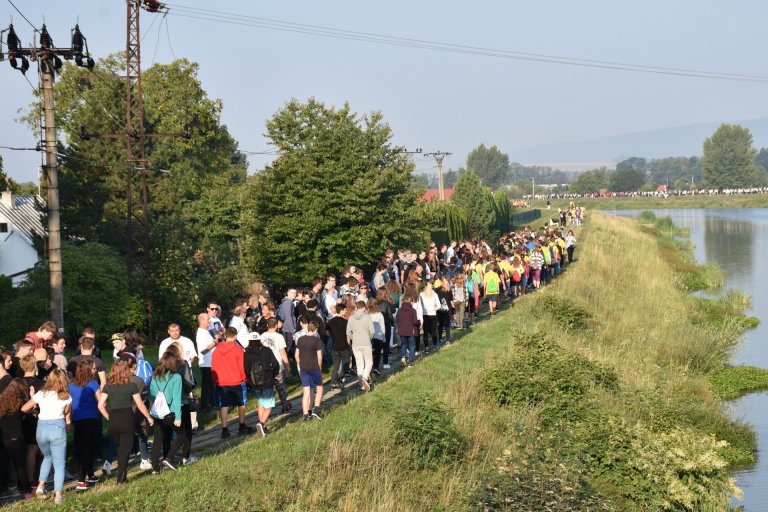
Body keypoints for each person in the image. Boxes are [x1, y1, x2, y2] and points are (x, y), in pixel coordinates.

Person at [98, 360, 154, 483]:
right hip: (127, 418)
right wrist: (149, 418)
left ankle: (121, 476)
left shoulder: (108, 386)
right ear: (125, 371)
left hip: (114, 419)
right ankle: (121, 478)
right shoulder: (131, 386)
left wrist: (108, 417)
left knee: (119, 448)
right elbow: (140, 405)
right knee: (126, 450)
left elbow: (100, 405)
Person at [21, 369, 71, 505]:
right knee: (59, 463)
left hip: (41, 429)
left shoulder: (41, 394)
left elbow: (24, 408)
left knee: (47, 456)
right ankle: (59, 495)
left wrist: (35, 411)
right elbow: (66, 412)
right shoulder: (66, 396)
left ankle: (41, 486)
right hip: (57, 428)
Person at [211, 327, 254, 438]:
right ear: (235, 336)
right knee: (241, 403)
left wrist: (215, 379)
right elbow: (241, 366)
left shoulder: (216, 350)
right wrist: (244, 379)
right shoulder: (237, 349)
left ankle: (225, 429)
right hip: (236, 380)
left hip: (221, 381)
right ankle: (242, 426)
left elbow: (213, 366)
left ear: (225, 336)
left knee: (224, 405)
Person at [68, 360, 102, 490]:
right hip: (91, 418)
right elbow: (100, 401)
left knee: (82, 446)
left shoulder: (71, 384)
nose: (95, 371)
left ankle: (91, 474)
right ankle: (81, 480)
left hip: (77, 418)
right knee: (88, 448)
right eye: (93, 369)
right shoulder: (93, 383)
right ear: (88, 370)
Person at [149, 353, 186, 471]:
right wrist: (178, 417)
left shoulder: (154, 376)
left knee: (158, 439)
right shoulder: (176, 377)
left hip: (157, 412)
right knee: (182, 434)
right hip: (170, 412)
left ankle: (155, 468)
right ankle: (169, 458)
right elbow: (176, 398)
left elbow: (151, 395)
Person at [164, 344, 197, 465]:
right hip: (182, 400)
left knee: (169, 432)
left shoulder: (162, 365)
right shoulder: (183, 364)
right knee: (187, 430)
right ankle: (185, 456)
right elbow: (188, 382)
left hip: (166, 404)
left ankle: (166, 456)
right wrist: (191, 387)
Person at [0, 378, 32, 498]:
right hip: (17, 438)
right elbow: (29, 410)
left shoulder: (1, 400)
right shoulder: (20, 403)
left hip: (3, 439)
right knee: (20, 467)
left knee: (2, 468)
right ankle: (27, 492)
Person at [244, 334, 279, 436]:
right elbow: (275, 364)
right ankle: (261, 423)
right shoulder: (267, 350)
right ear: (259, 340)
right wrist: (272, 375)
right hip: (267, 381)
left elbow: (246, 369)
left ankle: (262, 427)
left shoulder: (246, 353)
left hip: (255, 383)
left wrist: (250, 381)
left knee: (261, 404)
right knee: (268, 405)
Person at [258, 319, 292, 413]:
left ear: (267, 325)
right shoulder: (279, 336)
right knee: (281, 387)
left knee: (267, 389)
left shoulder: (262, 336)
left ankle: (265, 408)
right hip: (277, 366)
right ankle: (284, 406)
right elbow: (283, 353)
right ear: (276, 325)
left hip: (265, 367)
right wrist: (287, 366)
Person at [295, 321, 324, 420]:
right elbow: (319, 357)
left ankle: (306, 415)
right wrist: (319, 368)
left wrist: (300, 364)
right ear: (316, 329)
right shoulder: (317, 341)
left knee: (306, 391)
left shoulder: (300, 339)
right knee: (319, 388)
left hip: (303, 368)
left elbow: (296, 355)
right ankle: (315, 410)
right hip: (314, 367)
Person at [346, 301, 374, 392]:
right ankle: (365, 377)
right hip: (366, 342)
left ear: (357, 308)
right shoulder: (367, 317)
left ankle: (361, 384)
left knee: (359, 364)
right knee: (369, 362)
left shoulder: (351, 318)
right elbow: (372, 331)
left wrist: (353, 338)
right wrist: (368, 338)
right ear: (363, 308)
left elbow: (348, 332)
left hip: (355, 343)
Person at [195, 313, 217, 412]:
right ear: (202, 321)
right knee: (208, 386)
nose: (210, 321)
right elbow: (203, 350)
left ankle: (207, 405)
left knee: (209, 386)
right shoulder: (200, 333)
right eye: (208, 319)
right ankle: (207, 407)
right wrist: (215, 342)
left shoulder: (205, 331)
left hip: (210, 363)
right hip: (206, 363)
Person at [327, 303, 351, 389]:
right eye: (345, 310)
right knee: (346, 363)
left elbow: (327, 333)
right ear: (341, 311)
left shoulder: (330, 322)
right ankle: (341, 378)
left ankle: (333, 382)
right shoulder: (346, 322)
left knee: (336, 365)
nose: (346, 311)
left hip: (335, 346)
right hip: (344, 345)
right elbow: (349, 334)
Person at [395, 296, 419, 367]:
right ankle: (410, 362)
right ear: (410, 302)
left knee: (404, 344)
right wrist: (419, 322)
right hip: (410, 331)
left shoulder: (399, 310)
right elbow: (415, 321)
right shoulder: (413, 310)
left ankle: (403, 356)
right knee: (411, 346)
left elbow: (397, 320)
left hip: (402, 331)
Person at [419, 282, 441, 352]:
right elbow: (439, 306)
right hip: (433, 314)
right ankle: (435, 345)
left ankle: (426, 348)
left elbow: (420, 305)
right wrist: (434, 309)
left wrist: (423, 310)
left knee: (425, 332)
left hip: (425, 315)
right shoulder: (435, 294)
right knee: (434, 331)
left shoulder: (421, 295)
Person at [368, 299, 386, 376]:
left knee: (370, 354)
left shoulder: (366, 314)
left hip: (369, 337)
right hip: (378, 336)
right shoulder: (379, 314)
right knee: (378, 353)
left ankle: (370, 368)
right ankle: (376, 367)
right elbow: (383, 327)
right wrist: (384, 337)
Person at [436, 278, 453, 345]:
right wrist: (452, 312)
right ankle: (448, 339)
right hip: (447, 310)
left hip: (439, 310)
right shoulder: (449, 290)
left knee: (440, 325)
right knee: (447, 325)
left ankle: (440, 338)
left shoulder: (436, 290)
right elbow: (451, 301)